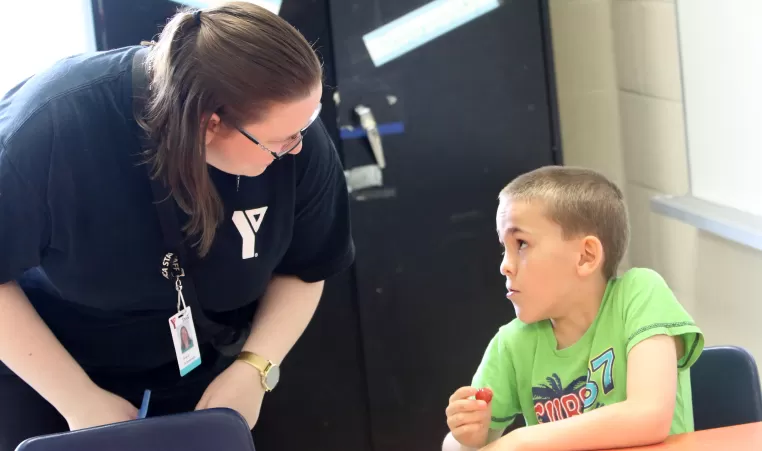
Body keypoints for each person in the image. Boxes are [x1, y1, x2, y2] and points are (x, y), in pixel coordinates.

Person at [0, 2, 354, 449]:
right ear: (210, 124)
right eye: (280, 140)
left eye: (308, 121)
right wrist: (79, 400)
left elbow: (307, 268)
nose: (299, 146)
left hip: (207, 361)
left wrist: (254, 368)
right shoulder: (50, 125)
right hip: (52, 365)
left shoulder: (293, 135)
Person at [443, 166, 704, 451]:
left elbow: (649, 416)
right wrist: (469, 437)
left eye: (521, 244)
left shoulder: (639, 294)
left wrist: (520, 441)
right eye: (503, 247)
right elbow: (456, 447)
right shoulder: (513, 342)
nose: (505, 264)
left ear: (586, 256)